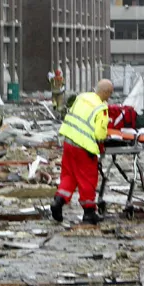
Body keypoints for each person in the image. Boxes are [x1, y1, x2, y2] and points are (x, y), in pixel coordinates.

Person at [51, 79, 113, 225]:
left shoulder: (82, 97)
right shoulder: (101, 108)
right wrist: (104, 140)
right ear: (105, 92)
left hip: (69, 141)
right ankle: (89, 212)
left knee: (69, 175)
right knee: (87, 180)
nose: (109, 98)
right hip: (84, 147)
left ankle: (58, 201)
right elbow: (99, 135)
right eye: (109, 94)